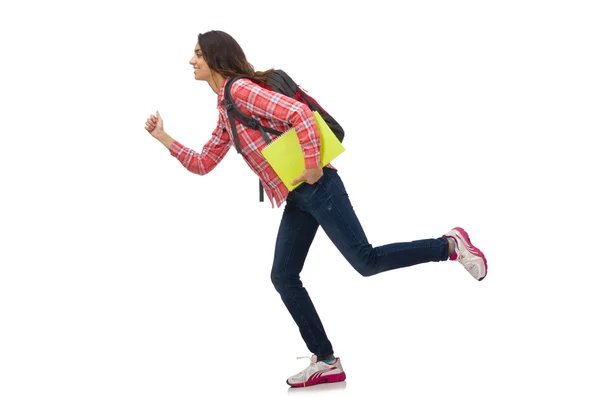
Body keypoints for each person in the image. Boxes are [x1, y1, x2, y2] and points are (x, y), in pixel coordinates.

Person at [143, 30, 488, 388]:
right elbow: (203, 162)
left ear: (214, 57)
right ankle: (325, 361)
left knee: (365, 262)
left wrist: (311, 165)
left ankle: (450, 245)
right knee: (283, 275)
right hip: (298, 196)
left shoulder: (240, 91)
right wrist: (164, 138)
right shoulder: (225, 108)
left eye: (197, 53)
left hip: (318, 186)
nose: (191, 60)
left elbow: (300, 115)